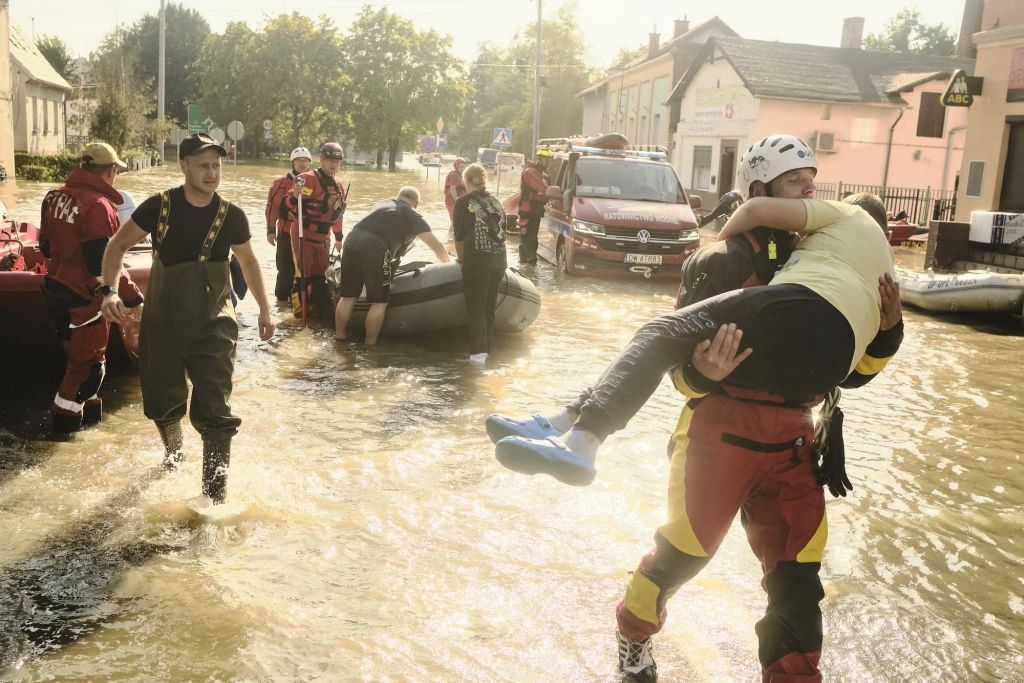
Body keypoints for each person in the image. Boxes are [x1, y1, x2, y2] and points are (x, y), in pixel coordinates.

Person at [491, 135, 900, 680]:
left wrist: (890, 329)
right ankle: (633, 638)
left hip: (794, 439)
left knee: (798, 578)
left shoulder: (823, 254)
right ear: (762, 190)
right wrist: (702, 374)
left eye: (811, 181)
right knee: (683, 555)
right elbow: (672, 369)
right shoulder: (722, 261)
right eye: (796, 182)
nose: (809, 190)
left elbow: (850, 377)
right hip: (720, 429)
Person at [99, 132, 276, 504]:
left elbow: (248, 260)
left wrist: (264, 308)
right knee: (162, 403)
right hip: (162, 324)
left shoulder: (232, 216)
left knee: (216, 411)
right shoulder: (158, 207)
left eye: (216, 165)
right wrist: (110, 291)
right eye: (203, 166)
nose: (212, 173)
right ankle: (174, 454)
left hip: (214, 326)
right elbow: (117, 245)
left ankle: (214, 500)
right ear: (184, 167)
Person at [38, 142, 144, 434]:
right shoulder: (98, 206)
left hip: (59, 290)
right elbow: (104, 263)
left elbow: (45, 247)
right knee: (86, 371)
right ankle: (63, 439)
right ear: (110, 171)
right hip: (84, 298)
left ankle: (91, 432)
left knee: (92, 362)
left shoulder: (54, 197)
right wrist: (133, 296)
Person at [334, 187, 451, 346]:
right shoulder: (413, 215)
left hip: (352, 238)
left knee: (347, 296)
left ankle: (339, 338)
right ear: (415, 203)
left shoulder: (381, 204)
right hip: (375, 246)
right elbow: (438, 248)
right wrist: (449, 266)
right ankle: (370, 345)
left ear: (399, 197)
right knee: (379, 301)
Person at [454, 163, 507, 364]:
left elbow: (458, 236)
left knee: (475, 307)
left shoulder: (463, 202)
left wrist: (460, 259)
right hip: (499, 261)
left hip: (477, 261)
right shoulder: (497, 202)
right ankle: (488, 352)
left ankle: (477, 357)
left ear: (466, 181)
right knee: (488, 307)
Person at [287, 142, 346, 319]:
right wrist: (294, 195)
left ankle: (316, 312)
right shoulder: (308, 179)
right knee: (303, 275)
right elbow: (289, 204)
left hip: (323, 237)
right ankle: (300, 315)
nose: (333, 164)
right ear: (321, 160)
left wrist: (338, 236)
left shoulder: (339, 187)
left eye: (337, 161)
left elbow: (337, 215)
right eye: (329, 160)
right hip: (303, 233)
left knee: (321, 275)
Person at [265, 147, 311, 301]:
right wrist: (271, 230)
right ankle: (282, 303)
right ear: (292, 163)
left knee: (306, 271)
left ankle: (302, 303)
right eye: (299, 161)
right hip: (286, 232)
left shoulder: (314, 182)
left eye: (305, 161)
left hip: (308, 233)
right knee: (285, 271)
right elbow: (272, 207)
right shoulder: (282, 182)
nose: (302, 164)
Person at [516, 149, 553, 264]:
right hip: (527, 210)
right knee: (528, 237)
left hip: (535, 211)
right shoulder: (531, 172)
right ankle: (530, 264)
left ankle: (525, 264)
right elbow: (542, 188)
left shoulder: (542, 174)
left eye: (550, 160)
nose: (549, 163)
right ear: (540, 159)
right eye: (547, 160)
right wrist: (553, 193)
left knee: (529, 237)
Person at [444, 158, 468, 239]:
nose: (463, 169)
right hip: (452, 201)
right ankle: (450, 239)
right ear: (456, 167)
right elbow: (452, 189)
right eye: (461, 167)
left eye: (464, 167)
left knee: (455, 221)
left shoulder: (459, 175)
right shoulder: (454, 175)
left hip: (454, 201)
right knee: (454, 221)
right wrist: (458, 201)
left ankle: (451, 238)